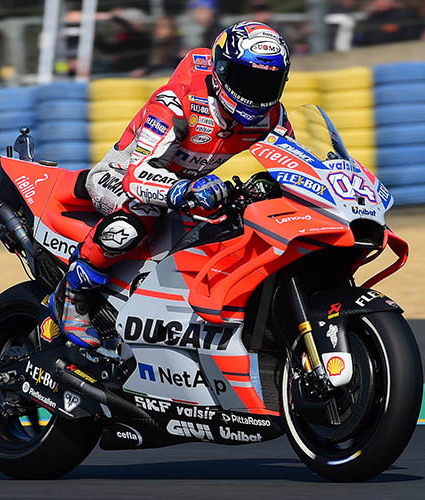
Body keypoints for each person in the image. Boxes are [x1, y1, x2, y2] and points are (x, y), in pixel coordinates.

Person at [50, 22, 293, 351]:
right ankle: (73, 290)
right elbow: (139, 175)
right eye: (247, 79)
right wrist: (182, 191)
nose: (256, 92)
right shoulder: (179, 102)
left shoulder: (273, 117)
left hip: (191, 188)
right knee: (141, 215)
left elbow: (291, 165)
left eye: (268, 83)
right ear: (222, 71)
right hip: (122, 176)